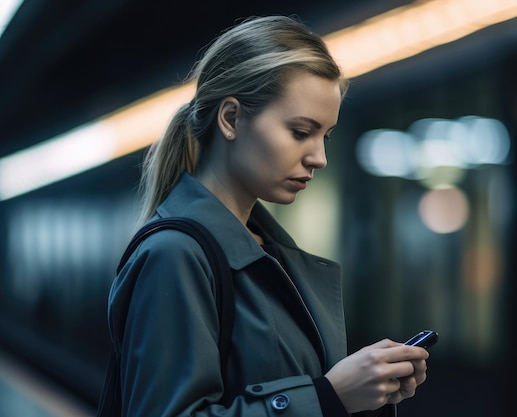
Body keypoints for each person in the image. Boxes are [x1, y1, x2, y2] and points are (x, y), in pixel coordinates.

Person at [101, 14, 430, 417]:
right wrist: (329, 395)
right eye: (299, 131)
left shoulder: (268, 252)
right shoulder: (175, 254)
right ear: (231, 118)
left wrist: (365, 392)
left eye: (324, 136)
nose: (319, 158)